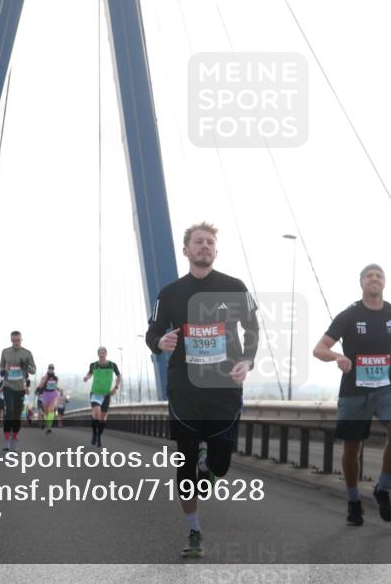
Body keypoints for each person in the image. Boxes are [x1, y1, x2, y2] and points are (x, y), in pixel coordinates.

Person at [145, 222, 259, 558]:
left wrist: (248, 362)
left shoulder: (234, 287)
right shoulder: (169, 293)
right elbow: (153, 330)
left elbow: (252, 328)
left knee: (220, 465)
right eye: (198, 242)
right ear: (186, 250)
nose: (205, 246)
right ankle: (194, 531)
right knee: (185, 459)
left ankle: (211, 467)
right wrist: (158, 342)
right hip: (185, 390)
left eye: (210, 242)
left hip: (224, 388)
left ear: (215, 250)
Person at [312, 263, 391, 527]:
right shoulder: (348, 316)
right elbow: (319, 348)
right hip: (354, 391)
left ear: (384, 283)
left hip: (386, 387)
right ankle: (353, 502)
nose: (374, 279)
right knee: (352, 448)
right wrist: (338, 356)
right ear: (361, 283)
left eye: (379, 276)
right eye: (369, 276)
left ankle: (382, 489)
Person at [0, 330, 36, 452]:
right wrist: (2, 371)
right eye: (13, 340)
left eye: (18, 340)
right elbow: (1, 365)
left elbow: (33, 370)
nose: (16, 342)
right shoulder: (5, 352)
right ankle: (6, 441)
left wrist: (26, 366)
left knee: (16, 415)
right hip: (8, 385)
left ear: (21, 339)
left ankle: (14, 439)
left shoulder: (27, 353)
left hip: (20, 388)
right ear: (11, 340)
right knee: (9, 411)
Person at [83, 348, 121, 447]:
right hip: (95, 393)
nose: (101, 354)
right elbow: (90, 373)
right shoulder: (93, 365)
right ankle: (94, 434)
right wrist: (87, 377)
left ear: (106, 354)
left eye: (103, 352)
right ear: (97, 354)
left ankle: (99, 436)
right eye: (100, 353)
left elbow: (119, 376)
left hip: (106, 394)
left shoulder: (112, 365)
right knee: (96, 413)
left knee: (102, 419)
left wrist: (116, 387)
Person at [36, 364, 61, 433]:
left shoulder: (56, 378)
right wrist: (38, 390)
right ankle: (46, 423)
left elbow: (55, 386)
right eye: (50, 368)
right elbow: (40, 385)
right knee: (46, 412)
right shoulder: (44, 378)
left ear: (54, 369)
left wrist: (57, 390)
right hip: (45, 395)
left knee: (51, 410)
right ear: (48, 369)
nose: (51, 369)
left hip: (53, 394)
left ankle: (49, 427)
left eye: (52, 368)